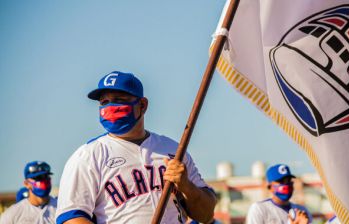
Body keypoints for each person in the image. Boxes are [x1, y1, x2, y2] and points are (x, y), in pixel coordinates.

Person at [55, 71, 217, 224]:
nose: (111, 107)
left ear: (143, 105)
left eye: (119, 99)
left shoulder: (173, 149)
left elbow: (206, 215)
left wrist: (186, 186)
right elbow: (71, 217)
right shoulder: (88, 155)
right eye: (104, 102)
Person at [246, 164, 312, 224]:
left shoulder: (301, 211)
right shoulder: (259, 209)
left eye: (288, 181)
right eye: (281, 181)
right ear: (270, 187)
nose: (286, 185)